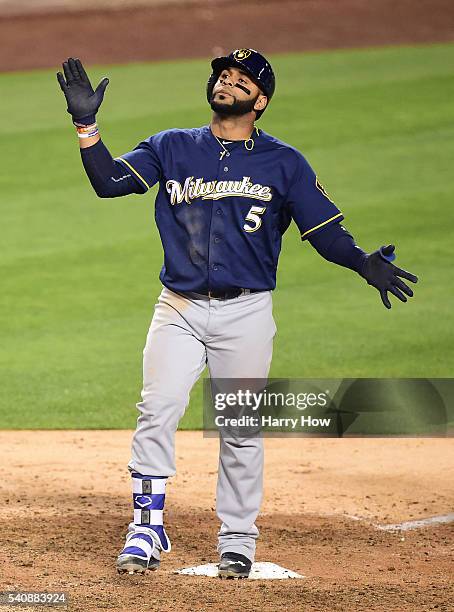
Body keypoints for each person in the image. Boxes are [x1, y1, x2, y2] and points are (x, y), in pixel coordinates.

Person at [57, 49, 418, 579]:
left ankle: (238, 540)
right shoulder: (171, 147)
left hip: (245, 314)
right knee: (157, 411)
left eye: (241, 79)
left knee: (240, 427)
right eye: (223, 75)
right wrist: (86, 125)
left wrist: (363, 262)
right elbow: (110, 182)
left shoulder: (285, 163)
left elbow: (323, 231)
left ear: (260, 101)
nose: (227, 82)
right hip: (177, 308)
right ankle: (147, 526)